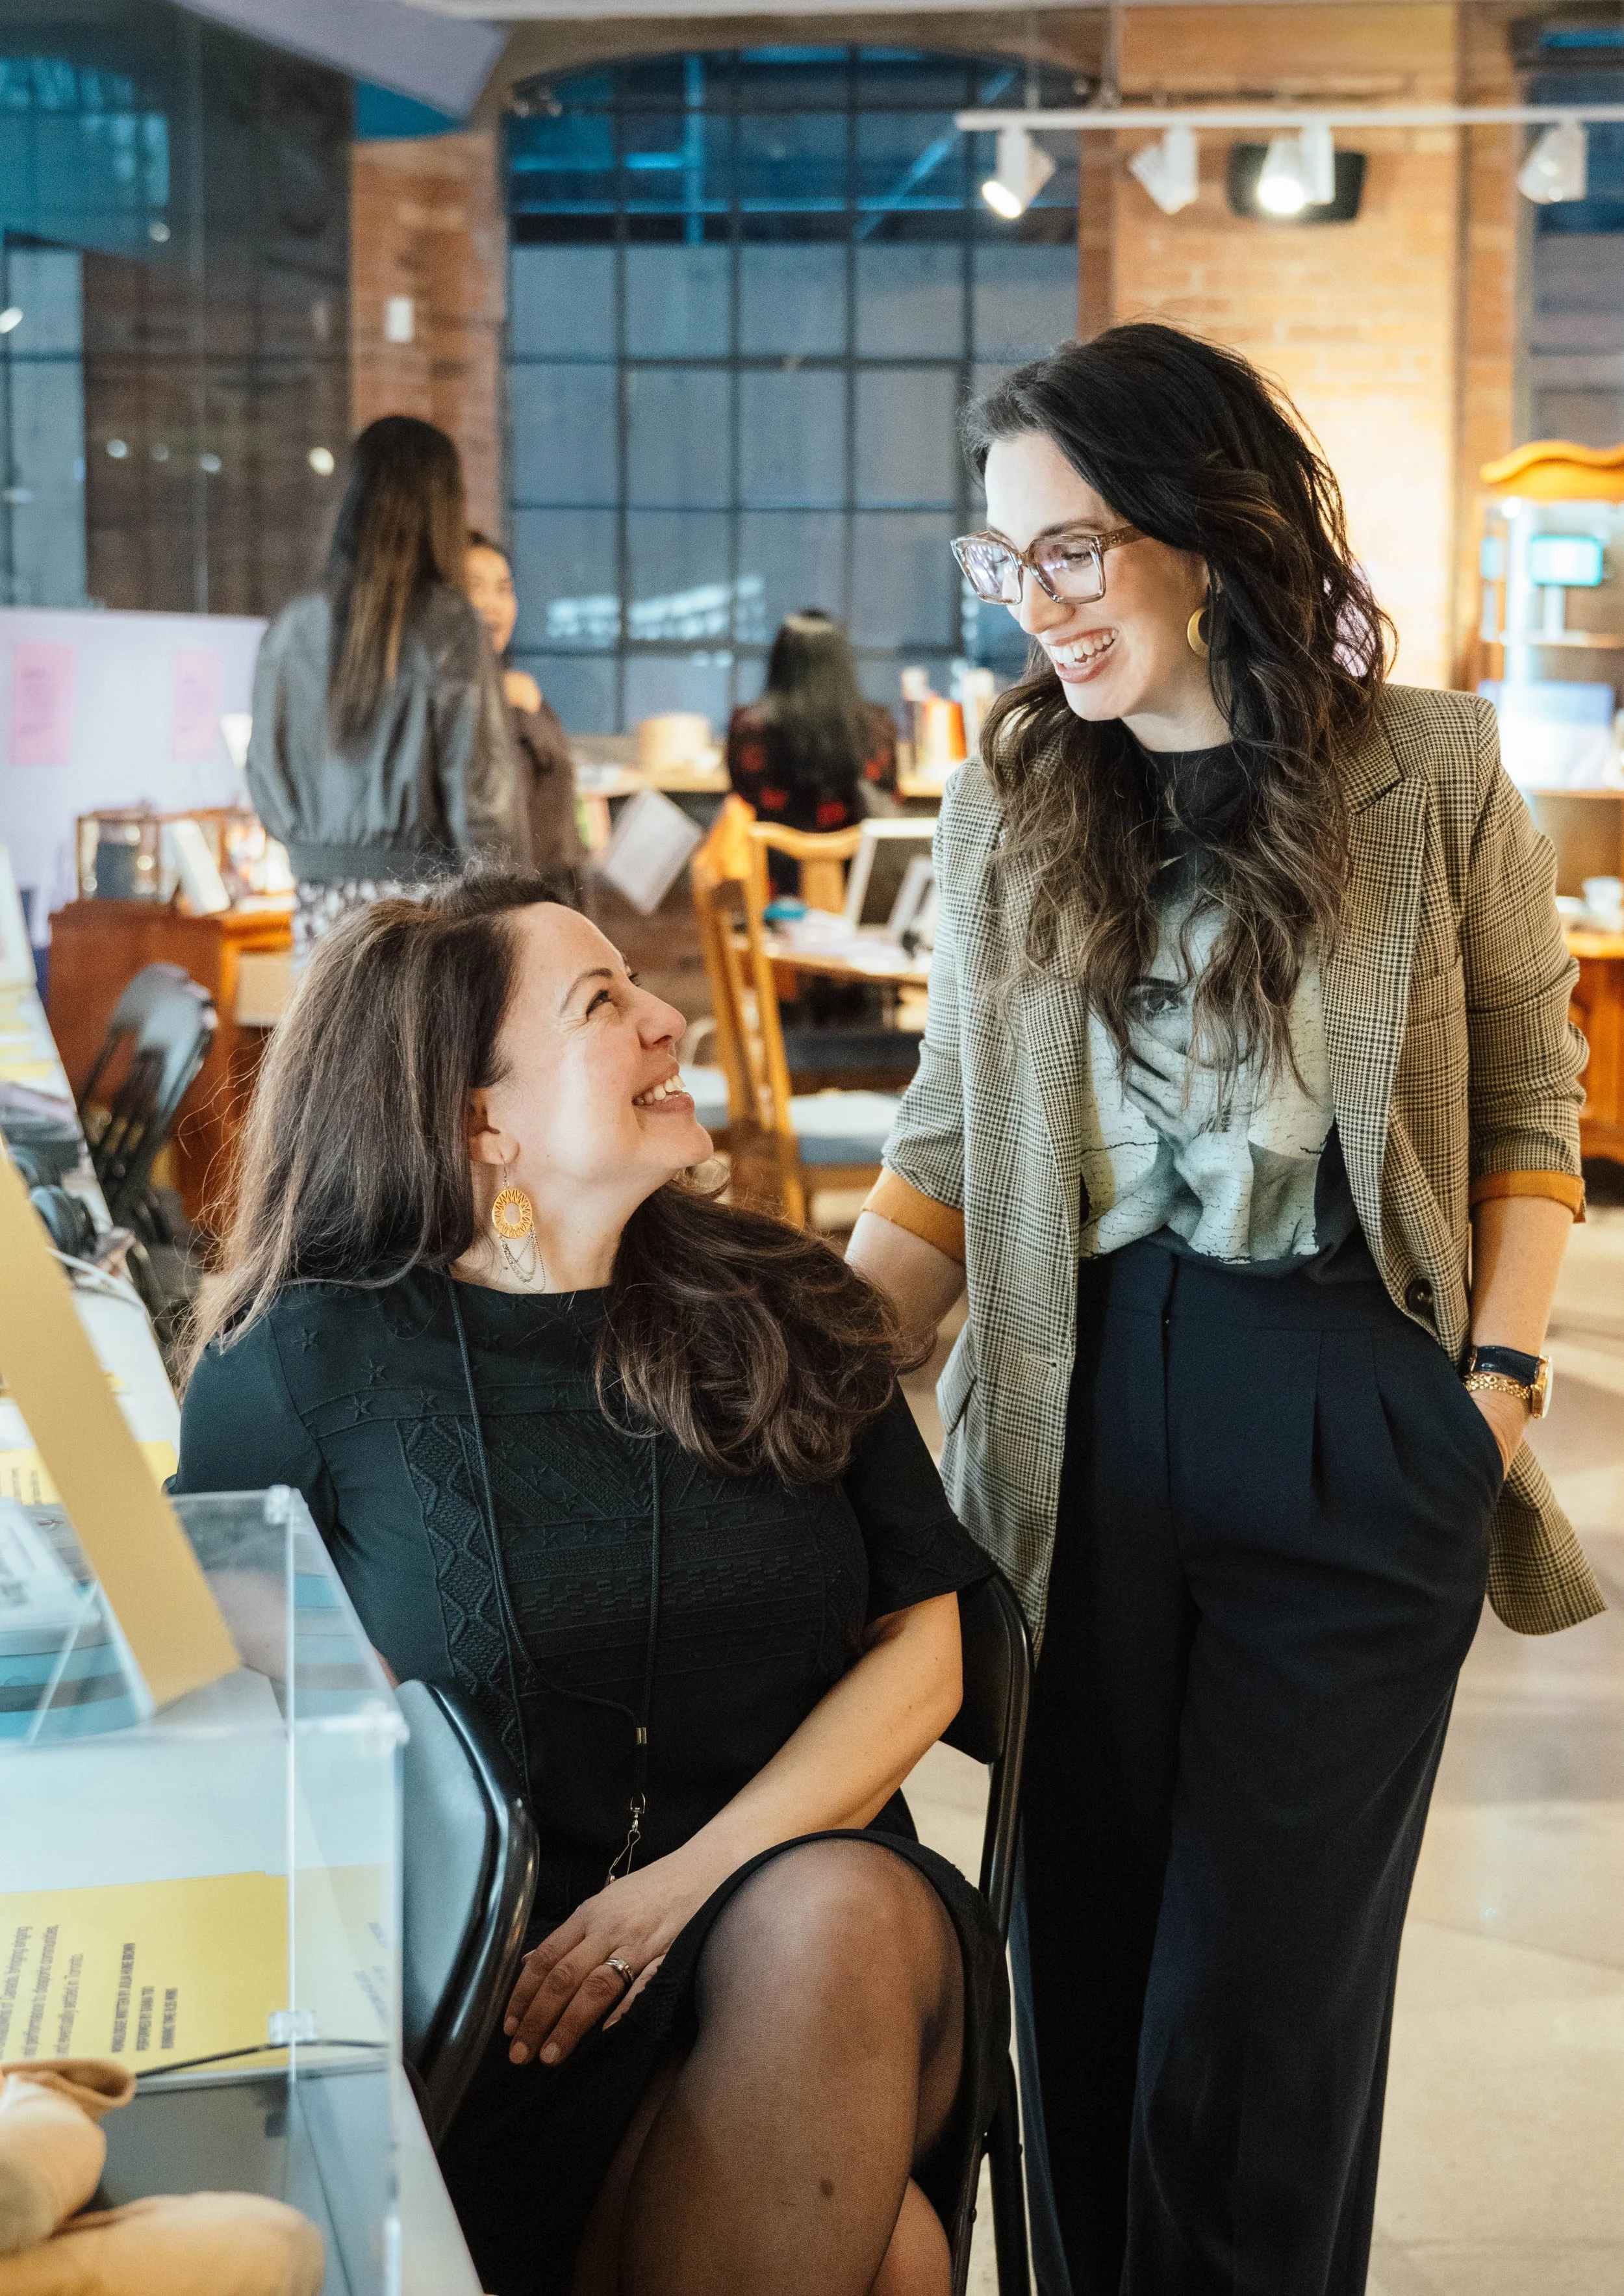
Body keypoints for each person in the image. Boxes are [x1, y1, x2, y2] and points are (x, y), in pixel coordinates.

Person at [846, 322, 1600, 2296]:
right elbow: (939, 1149)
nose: (1037, 608)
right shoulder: (1005, 803)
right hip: (1070, 1425)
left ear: (1202, 521)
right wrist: (804, 1374)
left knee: (1248, 2031)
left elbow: (1530, 1100)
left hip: (1351, 1404)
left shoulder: (1423, 771)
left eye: (1071, 551)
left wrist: (1490, 1390)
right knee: (1072, 1981)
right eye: (1003, 564)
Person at [171, 871, 1006, 2296]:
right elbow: (233, 1743)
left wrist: (687, 1882)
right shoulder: (306, 1370)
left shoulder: (780, 1302)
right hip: (508, 2001)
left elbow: (926, 1655)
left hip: (804, 1950)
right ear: (477, 1118)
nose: (669, 1022)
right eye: (600, 1005)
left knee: (832, 1923)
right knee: (895, 2262)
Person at [247, 416, 517, 963]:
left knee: (330, 1050)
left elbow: (264, 779)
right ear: (442, 507)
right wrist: (518, 921)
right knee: (416, 1052)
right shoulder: (452, 627)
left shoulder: (293, 627)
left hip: (318, 917)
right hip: (426, 917)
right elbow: (484, 797)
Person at [465, 529, 586, 887]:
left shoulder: (521, 691)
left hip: (553, 893)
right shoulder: (453, 709)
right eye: (476, 588)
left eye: (504, 589)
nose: (494, 604)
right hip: (507, 900)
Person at [727, 610, 898, 862]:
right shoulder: (876, 726)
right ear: (842, 662)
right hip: (856, 881)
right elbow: (889, 792)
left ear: (779, 661)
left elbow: (742, 796)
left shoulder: (748, 728)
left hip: (772, 877)